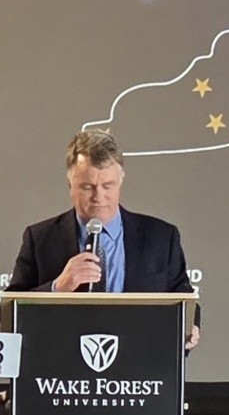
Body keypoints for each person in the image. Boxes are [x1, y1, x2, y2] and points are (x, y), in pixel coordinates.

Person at [5, 130, 200, 351]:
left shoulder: (161, 237)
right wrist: (58, 287)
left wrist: (192, 325)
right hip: (59, 373)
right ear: (70, 185)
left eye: (108, 185)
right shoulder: (39, 238)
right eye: (87, 187)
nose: (99, 197)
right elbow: (10, 313)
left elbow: (184, 298)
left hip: (140, 369)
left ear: (121, 181)